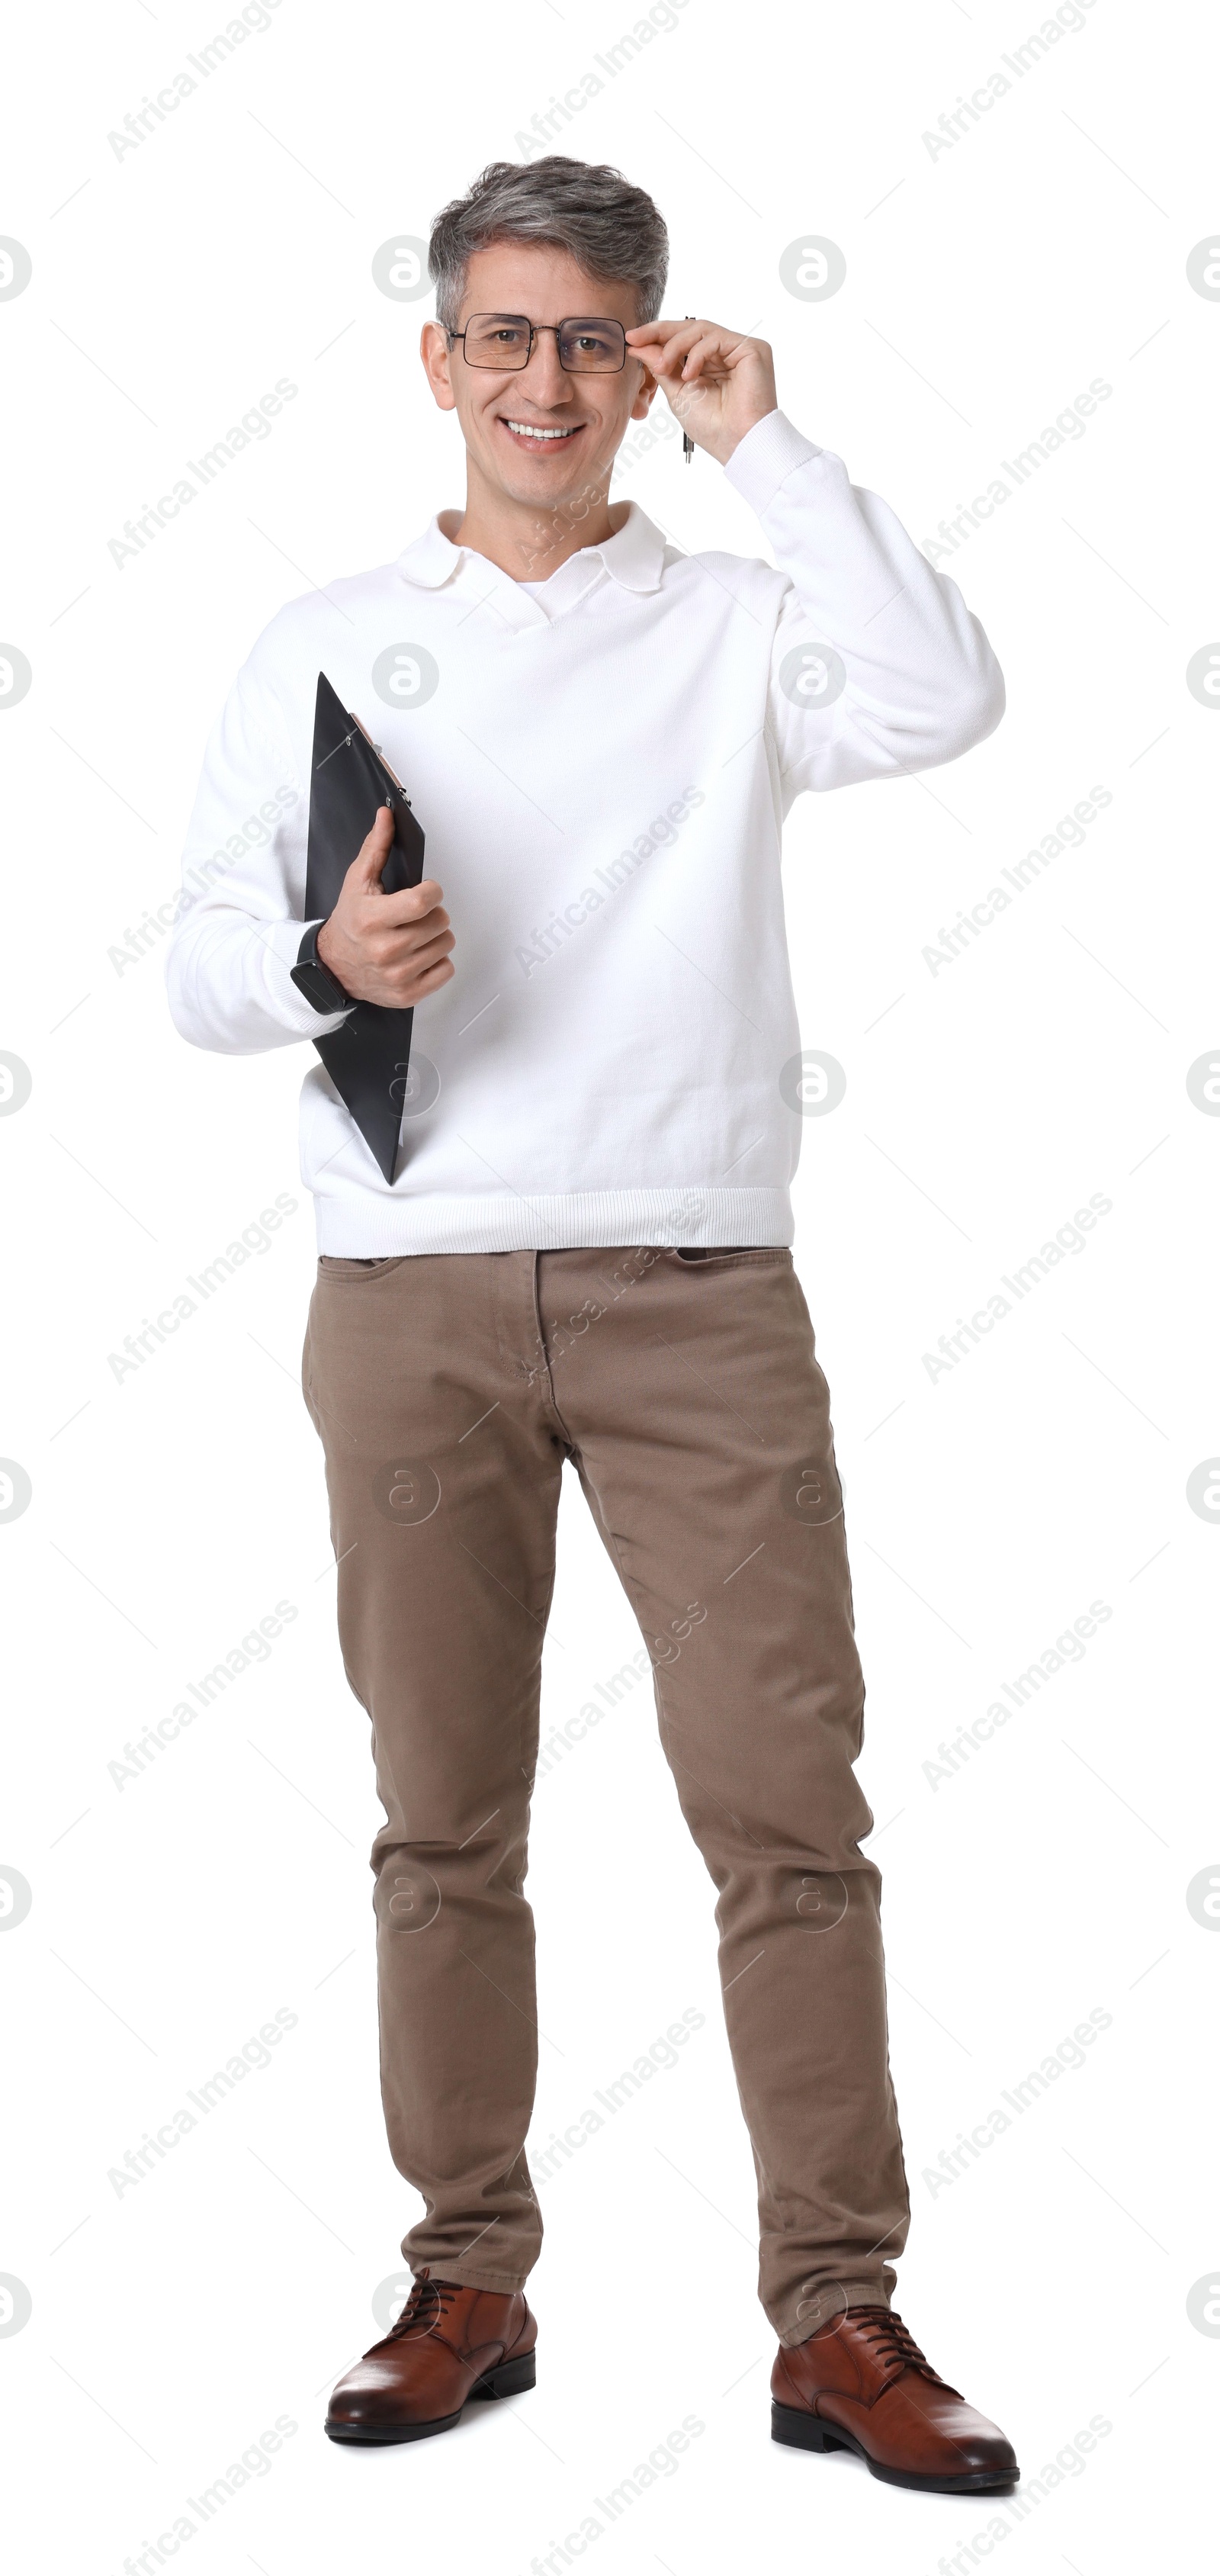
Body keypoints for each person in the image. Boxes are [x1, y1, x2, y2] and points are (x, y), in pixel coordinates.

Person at [166, 154, 1017, 2492]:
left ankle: (837, 2316)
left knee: (786, 1811)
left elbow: (949, 697)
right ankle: (470, 2271)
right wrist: (323, 967)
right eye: (508, 333)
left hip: (695, 1286)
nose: (548, 378)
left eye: (598, 339)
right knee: (442, 1819)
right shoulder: (326, 634)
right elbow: (191, 965)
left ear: (642, 363)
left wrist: (766, 437)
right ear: (440, 358)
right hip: (408, 1288)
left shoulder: (741, 622)